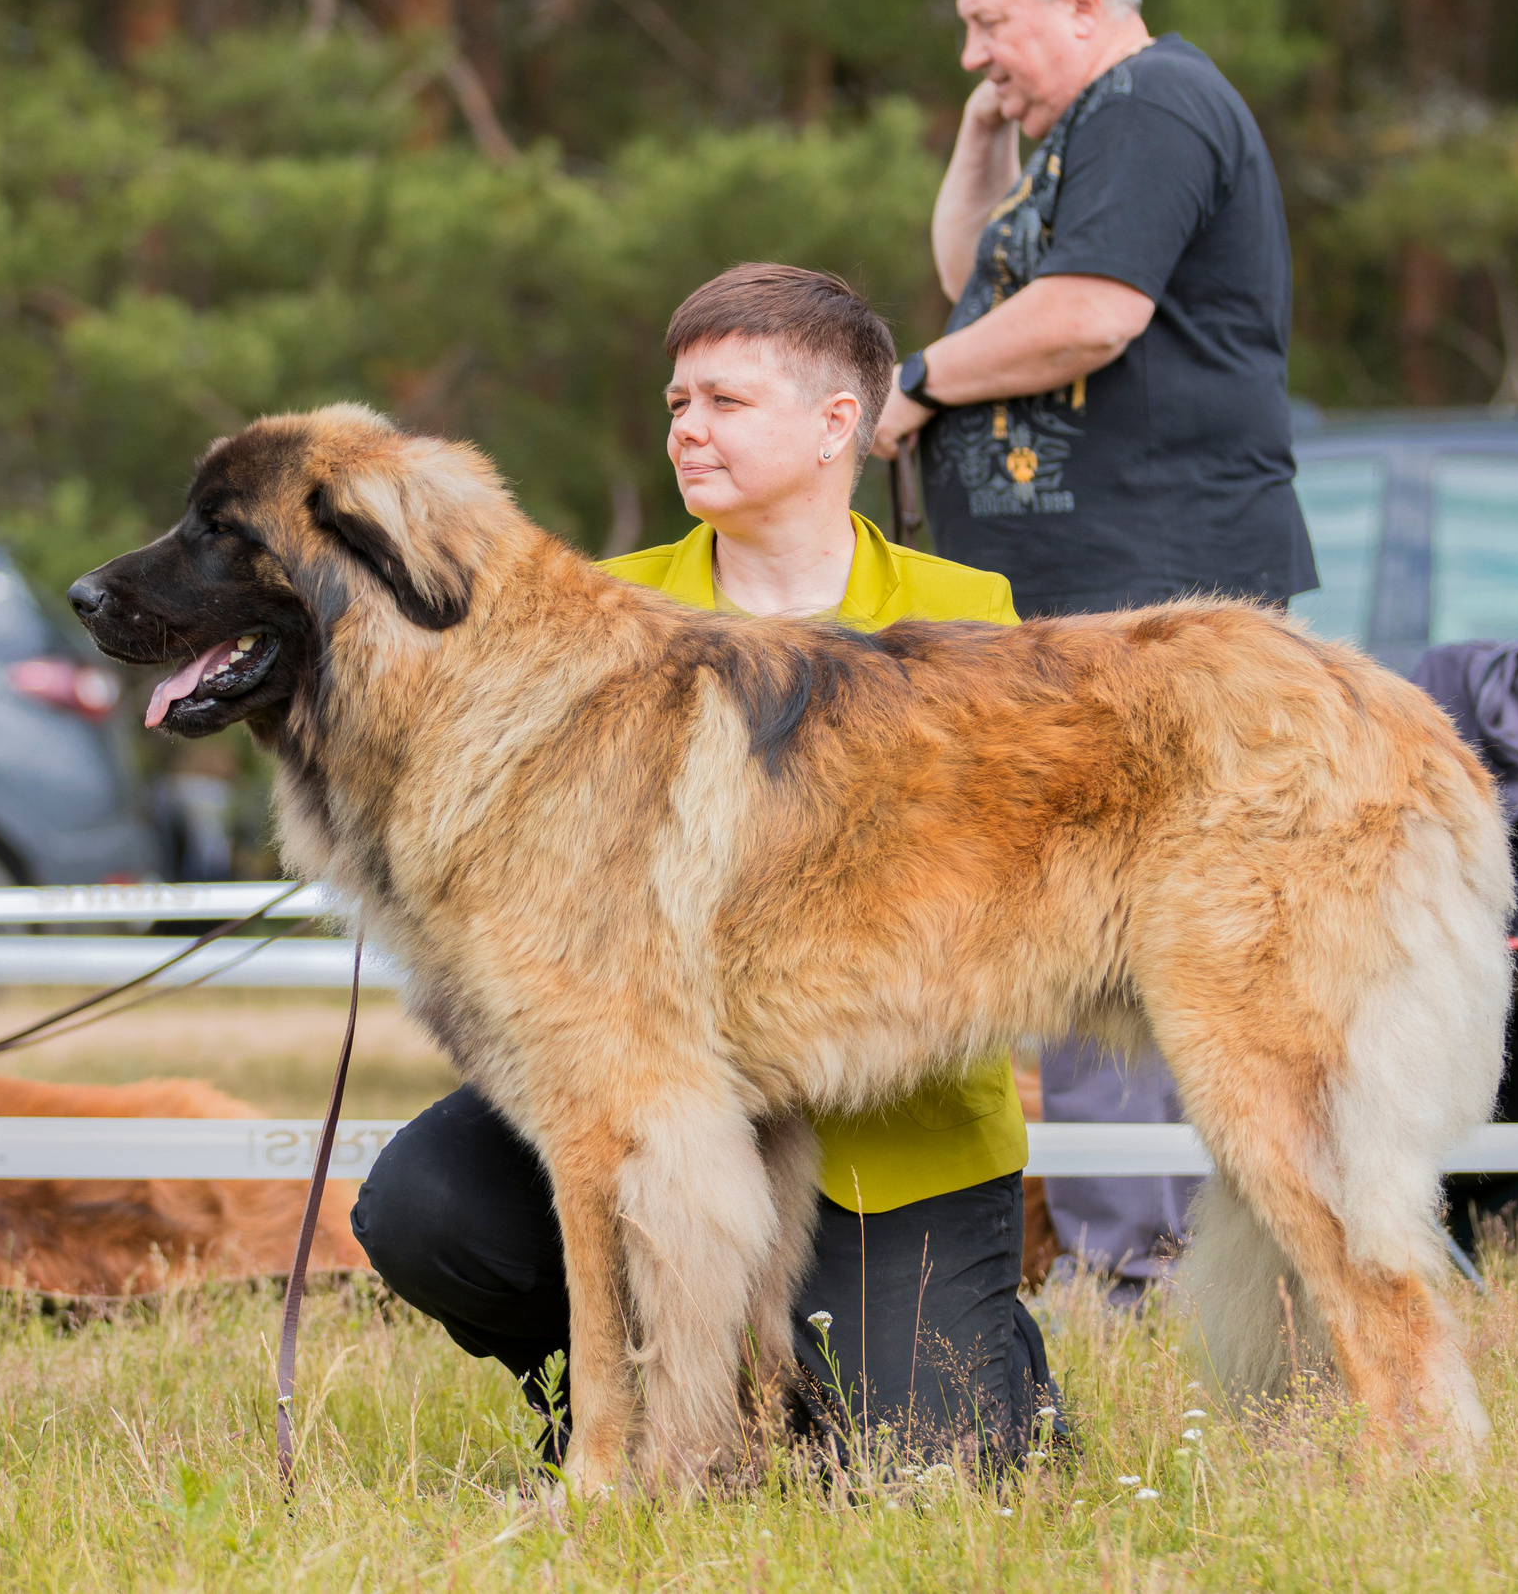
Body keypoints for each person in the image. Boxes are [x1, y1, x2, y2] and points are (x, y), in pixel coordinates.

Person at [354, 263, 1055, 1468]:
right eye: (677, 402)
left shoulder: (970, 612)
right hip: (637, 1102)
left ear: (842, 423)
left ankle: (992, 1360)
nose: (686, 428)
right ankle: (620, 1396)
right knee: (427, 1207)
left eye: (725, 402)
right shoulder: (601, 609)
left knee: (913, 1460)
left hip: (890, 1128)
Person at [869, 0, 1318, 1297]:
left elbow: (1090, 317)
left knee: (1155, 942)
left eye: (986, 24)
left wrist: (916, 387)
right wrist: (984, 131)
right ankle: (1134, 1257)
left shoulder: (1154, 108)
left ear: (1081, 1)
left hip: (1157, 608)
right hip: (1077, 604)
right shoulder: (1074, 131)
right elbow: (978, 286)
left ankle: (1154, 1266)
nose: (968, 52)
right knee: (1072, 938)